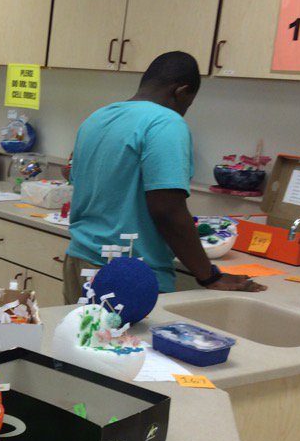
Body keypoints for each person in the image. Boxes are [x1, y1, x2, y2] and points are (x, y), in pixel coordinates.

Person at [62, 51, 266, 303]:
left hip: (80, 260)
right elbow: (167, 209)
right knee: (125, 343)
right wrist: (209, 276)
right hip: (127, 274)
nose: (184, 111)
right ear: (181, 91)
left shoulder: (98, 118)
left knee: (77, 340)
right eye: (187, 104)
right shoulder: (166, 123)